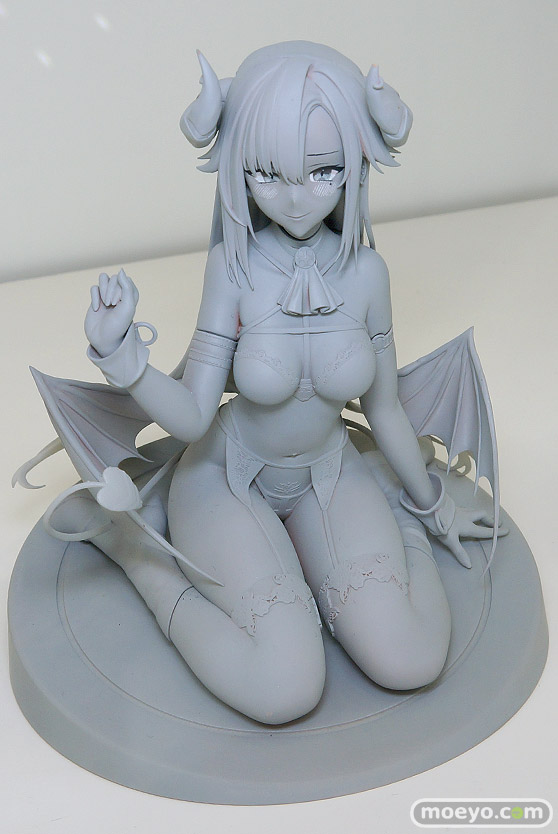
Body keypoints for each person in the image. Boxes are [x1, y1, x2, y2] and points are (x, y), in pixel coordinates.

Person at [64, 42, 498, 724]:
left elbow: (384, 408)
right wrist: (123, 358)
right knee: (285, 687)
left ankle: (375, 523)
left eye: (324, 172)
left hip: (331, 470)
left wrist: (428, 504)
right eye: (267, 174)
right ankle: (137, 552)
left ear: (356, 164)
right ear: (239, 168)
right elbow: (194, 416)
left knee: (410, 659)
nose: (295, 199)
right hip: (226, 478)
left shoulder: (367, 275)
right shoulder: (232, 269)